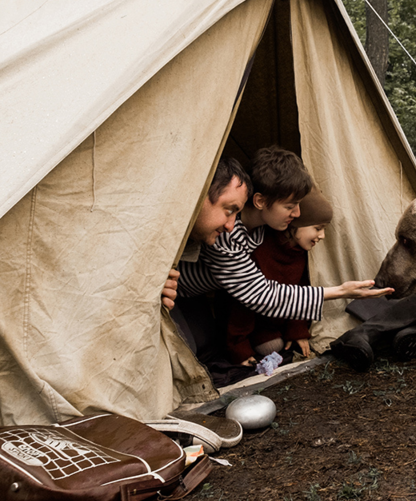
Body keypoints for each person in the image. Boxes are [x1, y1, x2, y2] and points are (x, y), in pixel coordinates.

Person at [164, 146, 390, 339]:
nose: (297, 213)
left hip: (203, 294)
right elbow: (261, 295)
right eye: (290, 207)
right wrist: (340, 291)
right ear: (260, 201)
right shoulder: (226, 236)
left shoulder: (264, 225)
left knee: (205, 342)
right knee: (191, 348)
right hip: (178, 292)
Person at [219, 186, 334, 366]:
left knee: (283, 346)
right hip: (255, 322)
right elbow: (241, 304)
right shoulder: (262, 249)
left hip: (280, 320)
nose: (322, 236)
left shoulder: (300, 253)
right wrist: (239, 347)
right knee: (271, 346)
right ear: (296, 224)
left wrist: (297, 330)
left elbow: (301, 289)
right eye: (318, 228)